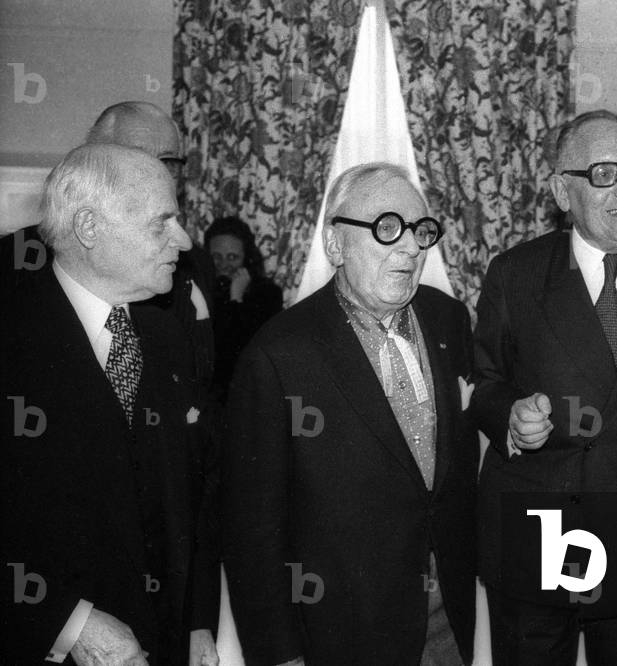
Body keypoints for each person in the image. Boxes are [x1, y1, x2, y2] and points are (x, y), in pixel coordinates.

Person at [473, 109, 617, 665]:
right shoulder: (515, 274)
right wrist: (509, 416)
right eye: (605, 173)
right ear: (562, 190)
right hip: (538, 530)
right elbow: (484, 383)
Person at [221, 163, 477, 664]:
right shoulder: (278, 355)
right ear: (336, 245)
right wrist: (278, 654)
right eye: (387, 229)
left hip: (446, 620)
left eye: (421, 231)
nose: (410, 247)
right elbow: (252, 528)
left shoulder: (448, 319)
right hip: (339, 630)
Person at [0, 144, 219, 664]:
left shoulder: (165, 332)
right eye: (161, 222)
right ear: (90, 228)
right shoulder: (11, 333)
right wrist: (69, 626)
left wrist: (196, 622)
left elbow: (193, 490)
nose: (184, 240)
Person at [86, 101, 218, 391]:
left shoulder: (195, 261)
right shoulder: (42, 261)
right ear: (92, 164)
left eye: (168, 161)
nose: (155, 172)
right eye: (137, 157)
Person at [203, 216, 282, 403]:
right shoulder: (202, 289)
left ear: (246, 258)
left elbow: (239, 349)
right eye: (216, 257)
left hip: (246, 391)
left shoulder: (267, 294)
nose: (223, 265)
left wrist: (236, 297)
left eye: (232, 257)